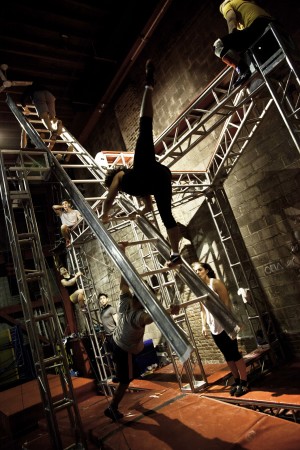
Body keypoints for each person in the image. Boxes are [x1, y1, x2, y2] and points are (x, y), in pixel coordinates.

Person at [101, 60, 182, 269]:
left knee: (167, 217)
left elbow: (109, 198)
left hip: (155, 175)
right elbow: (148, 205)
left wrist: (104, 214)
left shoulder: (121, 176)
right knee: (145, 126)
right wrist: (139, 213)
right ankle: (148, 85)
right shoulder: (130, 184)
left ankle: (175, 254)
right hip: (154, 175)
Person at [104, 241, 179, 421]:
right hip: (124, 349)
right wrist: (170, 311)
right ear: (143, 301)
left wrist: (123, 253)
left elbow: (124, 280)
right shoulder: (138, 315)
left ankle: (118, 373)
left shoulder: (125, 301)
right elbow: (150, 318)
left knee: (127, 372)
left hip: (114, 342)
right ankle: (112, 408)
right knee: (126, 379)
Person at [192, 261, 249, 397]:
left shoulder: (215, 283)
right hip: (213, 328)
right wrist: (204, 326)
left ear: (206, 270)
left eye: (199, 270)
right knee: (227, 355)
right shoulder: (199, 288)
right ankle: (236, 381)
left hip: (225, 326)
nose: (198, 273)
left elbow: (226, 304)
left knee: (234, 353)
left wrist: (230, 326)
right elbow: (202, 309)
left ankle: (245, 382)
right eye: (195, 271)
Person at [214, 1, 275, 88]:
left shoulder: (226, 5)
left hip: (258, 25)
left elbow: (231, 18)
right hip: (271, 26)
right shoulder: (243, 4)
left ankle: (243, 70)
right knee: (247, 50)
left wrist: (232, 40)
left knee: (217, 46)